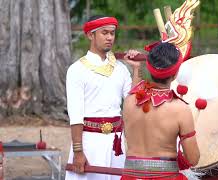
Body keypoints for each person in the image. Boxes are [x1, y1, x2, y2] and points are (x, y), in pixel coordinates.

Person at [65, 15, 141, 180]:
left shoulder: (120, 68)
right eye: (104, 33)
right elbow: (76, 115)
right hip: (89, 142)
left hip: (116, 142)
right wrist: (78, 152)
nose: (109, 37)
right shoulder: (76, 70)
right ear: (90, 35)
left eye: (112, 33)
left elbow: (132, 101)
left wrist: (135, 70)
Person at [121, 42, 200, 179]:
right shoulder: (180, 109)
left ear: (150, 69)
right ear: (175, 74)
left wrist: (136, 68)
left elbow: (136, 91)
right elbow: (193, 159)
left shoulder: (129, 101)